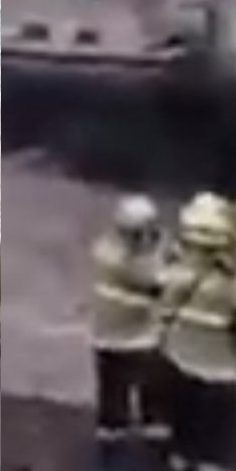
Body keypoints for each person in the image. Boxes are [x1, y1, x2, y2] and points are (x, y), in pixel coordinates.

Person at [156, 192, 236, 471]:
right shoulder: (227, 284)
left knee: (184, 411)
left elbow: (161, 309)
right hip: (218, 367)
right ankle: (212, 464)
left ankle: (182, 457)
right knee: (220, 417)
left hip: (179, 358)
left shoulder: (174, 273)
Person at [89, 194, 170, 454]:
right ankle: (117, 425)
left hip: (131, 334)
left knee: (146, 382)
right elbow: (152, 280)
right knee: (120, 383)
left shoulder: (107, 248)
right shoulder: (118, 258)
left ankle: (140, 421)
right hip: (121, 335)